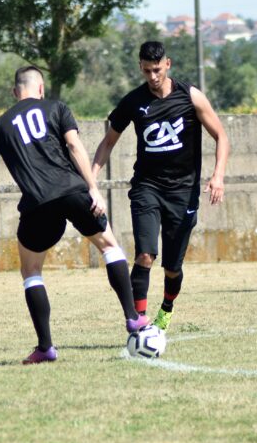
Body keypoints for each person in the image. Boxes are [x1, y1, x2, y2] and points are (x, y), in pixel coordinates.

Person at [0, 66, 149, 364]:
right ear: (41, 89)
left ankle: (45, 347)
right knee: (109, 246)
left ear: (16, 92)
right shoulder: (56, 107)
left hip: (37, 204)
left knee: (31, 272)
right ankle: (133, 317)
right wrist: (93, 187)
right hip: (72, 191)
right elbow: (73, 145)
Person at [91, 41, 229, 334]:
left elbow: (221, 136)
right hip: (147, 187)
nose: (152, 76)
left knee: (172, 268)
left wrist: (218, 175)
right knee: (144, 255)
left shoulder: (190, 96)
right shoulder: (133, 101)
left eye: (156, 69)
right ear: (140, 68)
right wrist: (91, 182)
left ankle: (166, 309)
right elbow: (107, 143)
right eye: (146, 71)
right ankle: (138, 324)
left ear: (168, 64)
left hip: (184, 191)